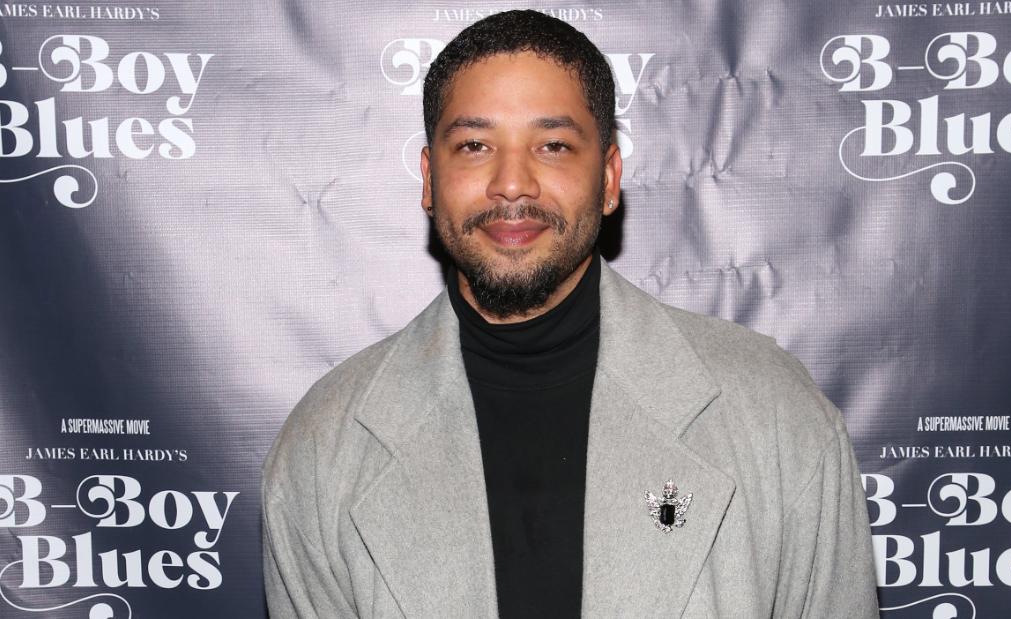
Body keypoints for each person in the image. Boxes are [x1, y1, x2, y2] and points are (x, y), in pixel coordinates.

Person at [263, 9, 878, 618]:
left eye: (553, 145)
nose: (512, 183)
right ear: (429, 178)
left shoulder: (774, 416)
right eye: (474, 145)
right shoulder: (322, 452)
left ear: (608, 179)